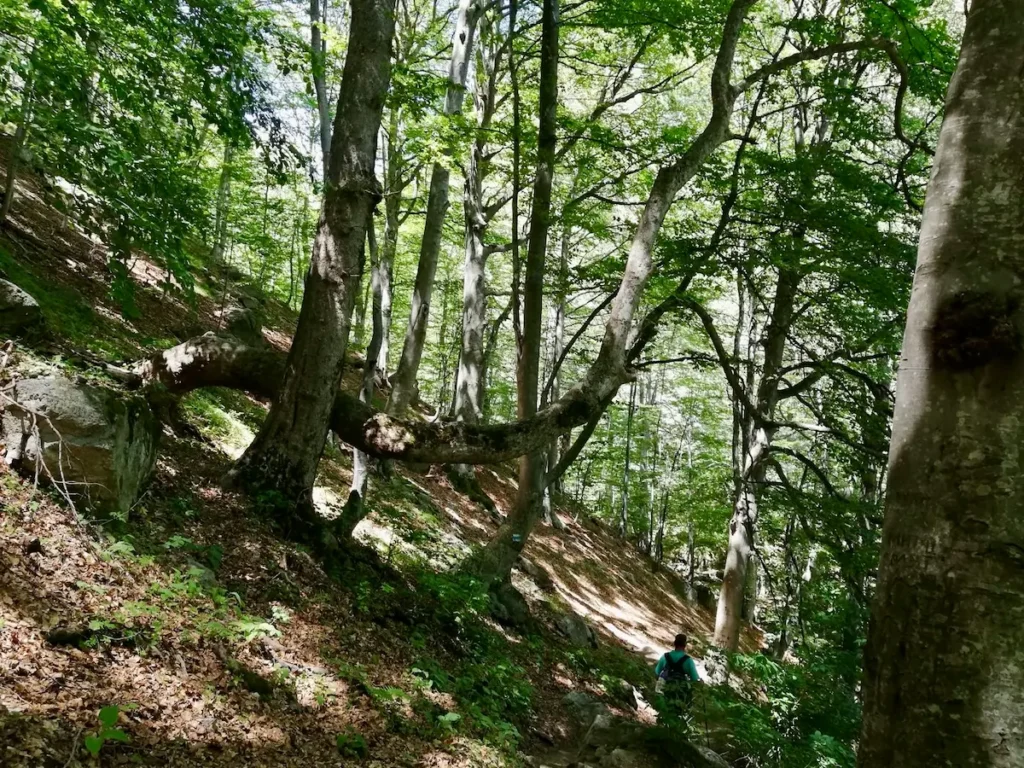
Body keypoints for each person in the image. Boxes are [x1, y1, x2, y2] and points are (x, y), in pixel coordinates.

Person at [654, 633, 700, 723]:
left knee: (664, 710)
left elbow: (656, 672)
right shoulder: (688, 660)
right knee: (678, 712)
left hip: (664, 688)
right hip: (680, 691)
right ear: (685, 645)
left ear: (674, 643)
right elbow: (695, 679)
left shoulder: (665, 657)